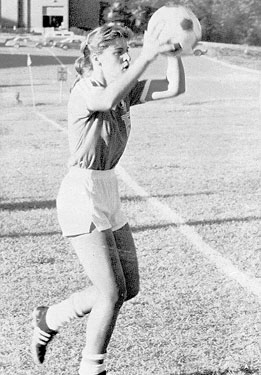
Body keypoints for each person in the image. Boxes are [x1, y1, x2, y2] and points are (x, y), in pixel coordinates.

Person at [31, 23, 185, 375]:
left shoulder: (124, 90)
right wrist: (149, 53)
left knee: (128, 287)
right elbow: (106, 100)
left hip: (107, 189)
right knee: (111, 293)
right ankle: (91, 370)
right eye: (119, 52)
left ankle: (50, 316)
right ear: (97, 59)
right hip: (81, 194)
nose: (127, 56)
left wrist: (173, 56)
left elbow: (175, 87)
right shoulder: (87, 88)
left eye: (128, 49)